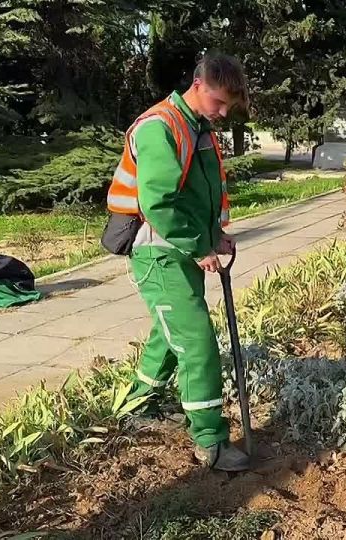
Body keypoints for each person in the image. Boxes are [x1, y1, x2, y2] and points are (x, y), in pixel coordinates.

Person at [106, 51, 251, 471]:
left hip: (181, 249)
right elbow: (159, 202)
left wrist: (215, 236)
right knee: (197, 342)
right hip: (159, 253)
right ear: (198, 85)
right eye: (219, 102)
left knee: (169, 330)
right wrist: (198, 246)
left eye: (229, 106)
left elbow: (197, 194)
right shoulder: (160, 127)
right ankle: (211, 441)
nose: (223, 113)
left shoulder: (195, 126)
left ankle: (136, 402)